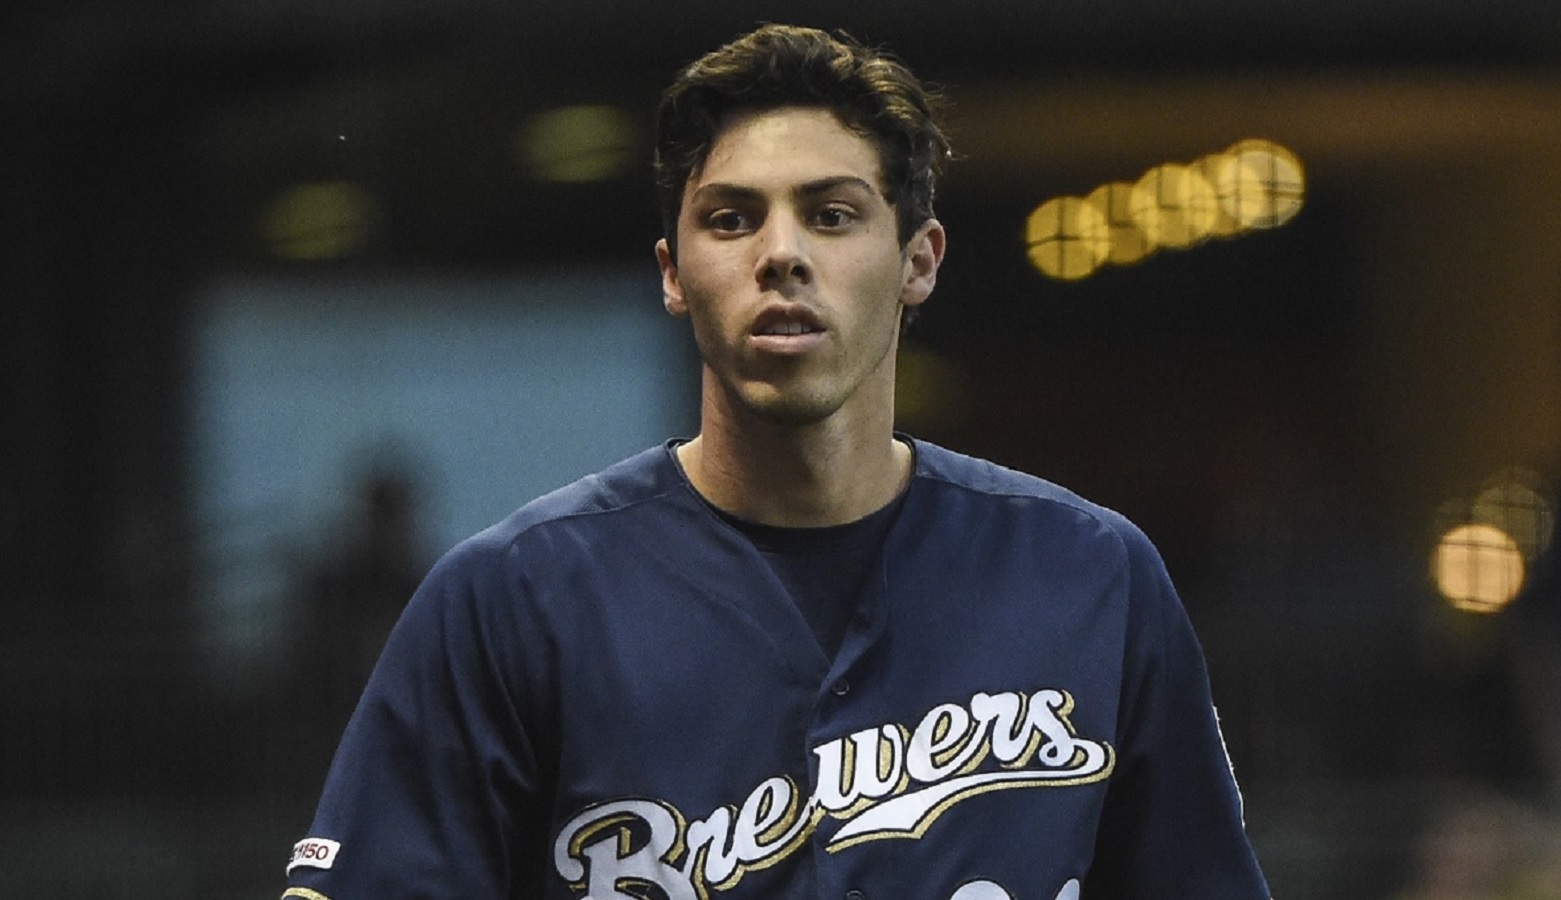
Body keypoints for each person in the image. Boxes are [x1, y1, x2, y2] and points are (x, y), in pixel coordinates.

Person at [282, 24, 1272, 900]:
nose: (780, 253)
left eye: (832, 214)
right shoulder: (510, 599)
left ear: (918, 260)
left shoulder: (1090, 576)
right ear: (674, 273)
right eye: (729, 217)